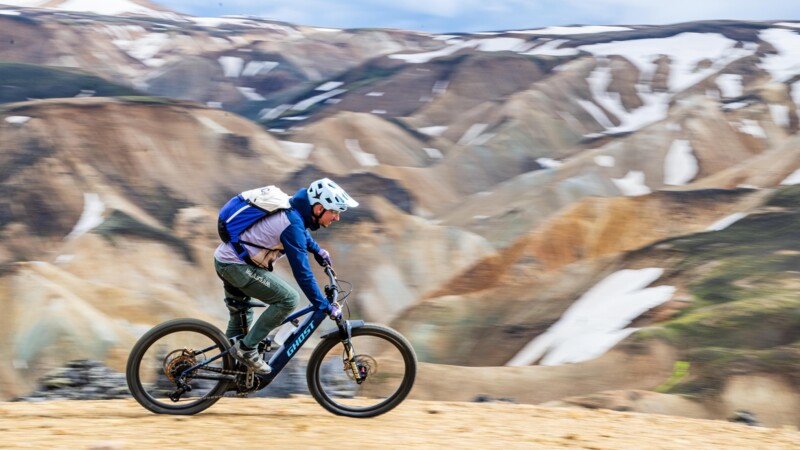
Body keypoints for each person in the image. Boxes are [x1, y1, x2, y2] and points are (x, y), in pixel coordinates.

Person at [213, 178, 358, 374]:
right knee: (289, 299)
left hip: (229, 260)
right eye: (335, 211)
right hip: (235, 266)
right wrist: (322, 304)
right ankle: (246, 350)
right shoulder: (292, 224)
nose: (337, 217)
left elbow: (301, 233)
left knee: (242, 320)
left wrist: (317, 251)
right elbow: (302, 272)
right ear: (318, 208)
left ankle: (228, 375)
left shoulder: (293, 210)